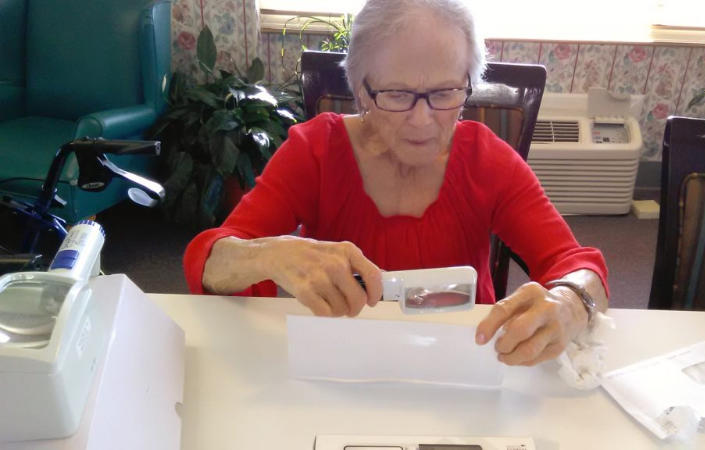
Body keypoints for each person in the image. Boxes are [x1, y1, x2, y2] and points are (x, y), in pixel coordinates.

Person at [184, 0, 609, 367]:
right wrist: (268, 254)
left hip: (464, 364)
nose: (422, 121)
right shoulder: (314, 153)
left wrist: (571, 300)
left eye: (445, 93)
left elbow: (577, 264)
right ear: (362, 89)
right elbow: (210, 262)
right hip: (337, 362)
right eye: (397, 94)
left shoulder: (488, 160)